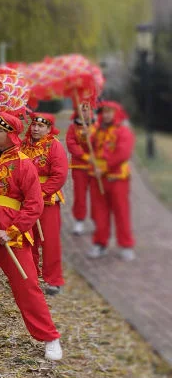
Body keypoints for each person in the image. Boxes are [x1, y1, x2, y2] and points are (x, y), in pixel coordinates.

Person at [0, 113, 62, 361]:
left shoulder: (23, 164)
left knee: (27, 287)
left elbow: (34, 205)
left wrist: (13, 230)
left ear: (10, 134)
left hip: (12, 237)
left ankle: (49, 336)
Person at [21, 113, 69, 296]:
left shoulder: (54, 146)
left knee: (50, 241)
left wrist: (38, 192)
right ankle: (30, 277)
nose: (36, 128)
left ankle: (53, 280)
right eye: (34, 124)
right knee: (27, 239)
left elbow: (60, 175)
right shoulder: (22, 145)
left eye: (41, 126)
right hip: (25, 199)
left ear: (49, 129)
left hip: (47, 199)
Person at [88, 101, 135, 261]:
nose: (106, 115)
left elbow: (123, 154)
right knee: (99, 212)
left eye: (110, 112)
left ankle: (126, 245)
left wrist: (105, 167)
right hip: (97, 177)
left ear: (117, 113)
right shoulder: (97, 131)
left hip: (117, 178)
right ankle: (100, 243)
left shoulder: (123, 131)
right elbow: (90, 148)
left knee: (121, 212)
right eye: (104, 112)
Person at [65, 100, 96, 236]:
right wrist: (84, 156)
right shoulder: (73, 128)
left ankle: (98, 220)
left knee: (97, 195)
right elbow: (71, 143)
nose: (84, 112)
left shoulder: (98, 126)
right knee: (80, 194)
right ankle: (79, 220)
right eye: (81, 110)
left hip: (96, 166)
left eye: (86, 109)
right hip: (80, 166)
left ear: (91, 110)